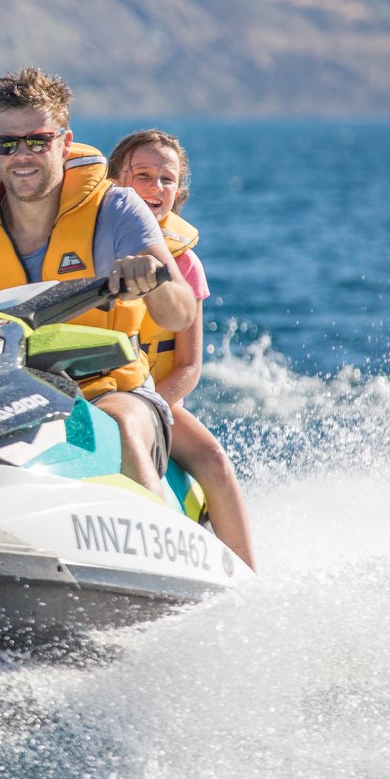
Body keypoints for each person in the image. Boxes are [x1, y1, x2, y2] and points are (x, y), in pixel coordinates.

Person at [0, 67, 196, 489]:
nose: (22, 155)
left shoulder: (118, 210)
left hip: (112, 392)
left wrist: (155, 281)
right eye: (8, 144)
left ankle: (157, 541)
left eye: (37, 140)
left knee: (118, 425)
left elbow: (179, 313)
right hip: (4, 397)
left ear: (64, 143)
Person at [108, 129, 257, 569]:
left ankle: (247, 577)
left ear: (180, 191)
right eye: (143, 175)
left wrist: (154, 404)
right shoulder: (93, 248)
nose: (156, 188)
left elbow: (191, 366)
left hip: (158, 400)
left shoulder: (186, 264)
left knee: (213, 458)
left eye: (166, 179)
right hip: (96, 392)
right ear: (117, 183)